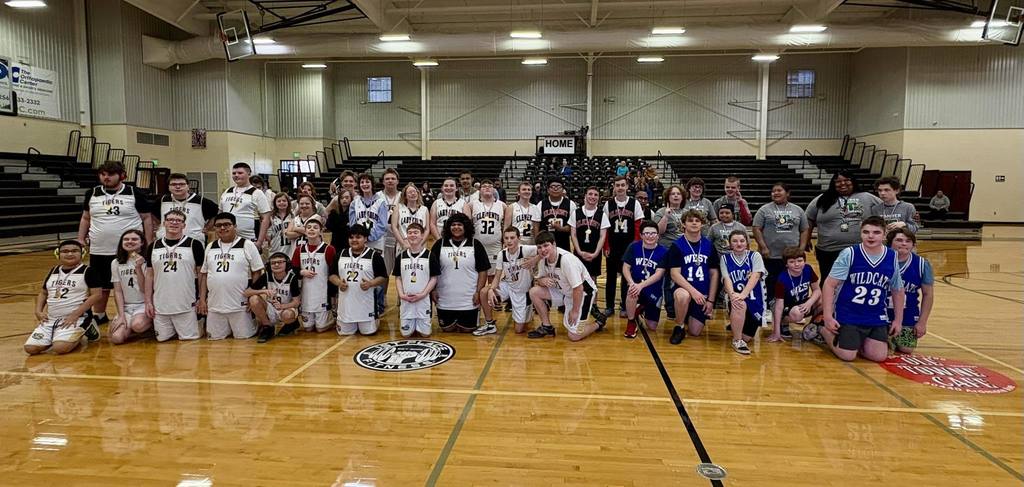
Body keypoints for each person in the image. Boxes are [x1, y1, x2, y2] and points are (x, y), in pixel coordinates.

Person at [77, 160, 153, 328]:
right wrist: (80, 238)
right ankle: (100, 314)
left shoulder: (134, 192)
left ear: (121, 175)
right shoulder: (92, 193)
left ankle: (138, 312)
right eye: (103, 174)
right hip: (99, 248)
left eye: (110, 174)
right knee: (101, 285)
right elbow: (85, 218)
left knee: (132, 283)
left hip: (129, 250)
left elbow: (147, 218)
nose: (106, 178)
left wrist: (148, 242)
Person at [818, 216, 905, 362]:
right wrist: (827, 316)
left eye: (876, 232)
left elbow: (897, 290)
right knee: (848, 356)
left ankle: (856, 341)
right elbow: (829, 284)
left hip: (875, 315)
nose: (870, 236)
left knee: (879, 356)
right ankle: (822, 329)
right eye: (866, 232)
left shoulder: (891, 256)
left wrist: (898, 320)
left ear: (884, 235)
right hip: (849, 313)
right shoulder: (849, 253)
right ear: (860, 234)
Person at [25, 240, 103, 355]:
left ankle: (88, 325)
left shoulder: (88, 271)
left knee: (60, 348)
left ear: (82, 253)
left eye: (75, 251)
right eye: (65, 251)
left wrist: (75, 314)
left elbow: (97, 295)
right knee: (30, 348)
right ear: (58, 254)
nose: (70, 254)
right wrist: (38, 311)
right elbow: (43, 293)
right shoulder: (53, 271)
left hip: (76, 318)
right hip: (51, 319)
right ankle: (57, 335)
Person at [526, 231, 607, 341]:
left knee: (574, 335)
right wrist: (541, 280)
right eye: (539, 247)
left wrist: (575, 311)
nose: (543, 250)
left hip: (583, 293)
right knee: (534, 292)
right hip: (564, 291)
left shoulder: (566, 260)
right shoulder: (543, 259)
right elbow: (538, 280)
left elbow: (579, 288)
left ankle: (599, 322)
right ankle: (546, 326)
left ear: (554, 244)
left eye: (546, 245)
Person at [806, 170, 882, 284]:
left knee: (858, 281)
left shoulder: (868, 197)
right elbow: (808, 218)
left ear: (853, 182)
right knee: (829, 282)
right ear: (833, 183)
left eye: (847, 180)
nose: (842, 184)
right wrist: (807, 239)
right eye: (838, 181)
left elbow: (887, 210)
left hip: (860, 249)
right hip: (828, 250)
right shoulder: (822, 199)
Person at [198, 213, 266, 340]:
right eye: (218, 225)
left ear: (235, 226)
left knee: (243, 339)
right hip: (215, 306)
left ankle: (260, 324)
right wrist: (202, 299)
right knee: (215, 340)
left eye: (227, 225)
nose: (222, 228)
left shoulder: (247, 245)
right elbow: (204, 274)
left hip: (240, 306)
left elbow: (257, 271)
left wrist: (252, 296)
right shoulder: (210, 246)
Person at [145, 209, 206, 342]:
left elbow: (202, 275)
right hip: (161, 306)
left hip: (186, 304)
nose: (174, 223)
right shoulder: (153, 246)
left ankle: (200, 322)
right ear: (163, 224)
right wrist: (148, 301)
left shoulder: (194, 245)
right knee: (162, 340)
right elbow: (149, 276)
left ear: (184, 225)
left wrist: (202, 298)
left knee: (189, 341)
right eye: (170, 220)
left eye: (179, 220)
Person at [753, 182, 811, 315]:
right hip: (771, 255)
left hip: (791, 257)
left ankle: (791, 310)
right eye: (773, 191)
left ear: (788, 193)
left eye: (779, 190)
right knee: (770, 282)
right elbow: (756, 228)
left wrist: (801, 248)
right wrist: (763, 247)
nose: (776, 193)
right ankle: (768, 309)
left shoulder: (798, 210)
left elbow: (805, 229)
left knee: (790, 283)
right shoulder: (764, 210)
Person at [430, 213, 491, 333]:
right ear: (448, 227)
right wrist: (433, 290)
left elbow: (483, 271)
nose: (456, 227)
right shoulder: (439, 244)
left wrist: (478, 292)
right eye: (453, 225)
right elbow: (432, 271)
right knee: (447, 329)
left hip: (468, 300)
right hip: (445, 299)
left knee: (467, 330)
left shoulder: (475, 244)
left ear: (466, 227)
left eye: (459, 224)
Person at [666, 210, 720, 344]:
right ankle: (679, 326)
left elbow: (714, 274)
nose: (694, 223)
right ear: (683, 224)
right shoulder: (677, 245)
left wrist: (711, 301)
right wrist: (693, 292)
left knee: (695, 332)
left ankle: (687, 314)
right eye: (690, 221)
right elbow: (674, 274)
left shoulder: (708, 245)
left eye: (697, 221)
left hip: (702, 295)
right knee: (683, 296)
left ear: (702, 224)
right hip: (684, 289)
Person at [476, 227, 541, 335]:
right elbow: (497, 276)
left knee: (519, 330)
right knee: (484, 292)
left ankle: (527, 314)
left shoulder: (525, 250)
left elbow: (545, 250)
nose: (509, 241)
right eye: (506, 238)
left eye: (512, 238)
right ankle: (490, 324)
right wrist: (492, 289)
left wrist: (535, 260)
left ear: (518, 238)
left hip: (522, 291)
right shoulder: (502, 254)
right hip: (508, 286)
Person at [330, 225, 388, 335]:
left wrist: (371, 283)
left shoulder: (374, 255)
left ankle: (375, 318)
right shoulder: (340, 254)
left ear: (365, 238)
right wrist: (338, 283)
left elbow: (383, 277)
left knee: (368, 333)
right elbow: (332, 274)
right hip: (346, 309)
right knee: (344, 334)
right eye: (351, 237)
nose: (354, 240)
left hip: (366, 307)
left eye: (358, 237)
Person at [886, 228, 934, 354]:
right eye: (899, 240)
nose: (904, 243)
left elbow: (928, 294)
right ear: (890, 243)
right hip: (881, 313)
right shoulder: (881, 260)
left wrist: (922, 322)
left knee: (906, 348)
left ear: (913, 245)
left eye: (908, 241)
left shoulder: (922, 264)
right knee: (882, 350)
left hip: (908, 313)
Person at [603, 176, 645, 316]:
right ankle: (609, 306)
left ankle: (624, 306)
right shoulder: (608, 204)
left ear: (627, 187)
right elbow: (605, 228)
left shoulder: (635, 204)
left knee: (627, 278)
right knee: (611, 278)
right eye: (617, 185)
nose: (620, 188)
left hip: (629, 247)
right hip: (613, 246)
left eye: (622, 185)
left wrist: (636, 245)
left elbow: (638, 225)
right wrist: (606, 246)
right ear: (614, 187)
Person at [720, 230, 767, 355]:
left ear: (747, 242)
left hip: (755, 300)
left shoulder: (755, 256)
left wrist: (743, 294)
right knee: (739, 304)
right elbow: (727, 279)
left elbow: (755, 276)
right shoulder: (725, 258)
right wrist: (732, 295)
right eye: (734, 241)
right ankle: (737, 340)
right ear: (730, 244)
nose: (739, 244)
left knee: (748, 338)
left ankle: (737, 328)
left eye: (742, 241)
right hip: (737, 300)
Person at [350, 173, 390, 316]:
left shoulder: (381, 202)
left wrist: (368, 236)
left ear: (372, 184)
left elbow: (383, 225)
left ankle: (378, 306)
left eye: (367, 182)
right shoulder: (355, 202)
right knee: (362, 271)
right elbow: (353, 223)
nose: (365, 184)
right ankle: (362, 304)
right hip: (360, 243)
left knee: (376, 273)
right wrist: (360, 238)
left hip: (376, 242)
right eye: (362, 182)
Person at [622, 221, 668, 339]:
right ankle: (631, 322)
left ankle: (640, 307)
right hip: (636, 286)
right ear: (641, 235)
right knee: (631, 291)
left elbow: (659, 274)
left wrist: (640, 285)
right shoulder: (633, 247)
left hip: (653, 289)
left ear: (658, 235)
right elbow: (626, 268)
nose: (650, 236)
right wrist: (632, 283)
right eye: (646, 233)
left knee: (652, 326)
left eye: (653, 233)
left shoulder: (664, 251)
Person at [393, 223, 439, 338]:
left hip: (423, 301)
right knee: (406, 335)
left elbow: (434, 278)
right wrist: (401, 294)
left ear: (422, 236)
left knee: (425, 334)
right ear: (406, 236)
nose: (412, 235)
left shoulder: (430, 255)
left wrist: (424, 293)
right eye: (410, 233)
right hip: (406, 300)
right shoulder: (401, 256)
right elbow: (397, 277)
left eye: (416, 232)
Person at [246, 252, 302, 342]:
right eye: (273, 263)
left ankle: (292, 323)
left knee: (288, 315)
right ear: (269, 265)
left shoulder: (292, 278)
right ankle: (268, 327)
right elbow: (247, 292)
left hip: (286, 308)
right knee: (253, 299)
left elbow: (296, 302)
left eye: (280, 262)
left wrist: (282, 306)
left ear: (286, 264)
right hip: (271, 307)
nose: (276, 264)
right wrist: (263, 291)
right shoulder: (267, 276)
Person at [292, 218, 336, 333]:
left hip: (322, 294)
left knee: (320, 329)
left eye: (315, 228)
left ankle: (332, 316)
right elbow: (293, 270)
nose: (312, 230)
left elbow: (333, 273)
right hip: (306, 295)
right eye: (309, 227)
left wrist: (333, 297)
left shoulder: (329, 249)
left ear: (321, 231)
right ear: (305, 231)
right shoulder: (299, 250)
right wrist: (302, 272)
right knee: (308, 328)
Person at [109, 229, 151, 345]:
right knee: (116, 339)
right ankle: (127, 324)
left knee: (137, 325)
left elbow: (144, 288)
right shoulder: (116, 262)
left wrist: (138, 268)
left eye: (134, 239)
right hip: (127, 306)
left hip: (144, 304)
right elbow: (117, 291)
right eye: (126, 239)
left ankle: (150, 323)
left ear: (142, 242)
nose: (130, 241)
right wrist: (121, 315)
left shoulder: (148, 261)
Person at [772, 247, 821, 342]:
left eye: (800, 260)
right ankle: (783, 323)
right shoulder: (782, 279)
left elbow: (817, 290)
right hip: (787, 306)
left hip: (802, 302)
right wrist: (776, 332)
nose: (797, 264)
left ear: (805, 261)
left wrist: (809, 303)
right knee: (797, 313)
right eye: (792, 262)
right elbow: (779, 306)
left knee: (822, 301)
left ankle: (813, 326)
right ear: (786, 264)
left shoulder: (808, 269)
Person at [220, 162, 271, 249]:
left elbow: (266, 218)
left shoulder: (257, 193)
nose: (236, 175)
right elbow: (220, 213)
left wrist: (259, 241)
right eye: (234, 173)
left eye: (240, 173)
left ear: (249, 174)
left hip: (249, 239)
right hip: (227, 239)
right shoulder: (227, 191)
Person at [155, 173, 218, 244]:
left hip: (193, 242)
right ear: (168, 187)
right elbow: (153, 216)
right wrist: (160, 228)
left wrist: (207, 228)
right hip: (165, 242)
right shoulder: (162, 200)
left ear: (188, 186)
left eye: (182, 184)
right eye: (173, 184)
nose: (178, 187)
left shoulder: (201, 201)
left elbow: (216, 214)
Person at [569, 186, 609, 291]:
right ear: (585, 196)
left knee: (592, 279)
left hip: (594, 252)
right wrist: (579, 251)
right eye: (590, 194)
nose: (593, 197)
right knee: (577, 279)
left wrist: (595, 253)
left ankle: (594, 304)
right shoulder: (576, 213)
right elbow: (573, 234)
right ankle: (579, 304)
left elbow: (602, 236)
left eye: (596, 195)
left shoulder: (602, 214)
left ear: (599, 198)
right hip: (579, 251)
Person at [465, 179, 507, 274]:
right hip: (477, 245)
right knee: (477, 274)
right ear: (479, 190)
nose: (487, 187)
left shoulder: (503, 206)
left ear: (494, 190)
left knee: (493, 275)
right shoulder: (472, 205)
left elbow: (506, 226)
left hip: (495, 246)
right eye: (484, 186)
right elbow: (467, 226)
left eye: (490, 186)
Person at [539, 178, 576, 251]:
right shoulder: (541, 204)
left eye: (558, 186)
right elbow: (537, 226)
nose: (555, 189)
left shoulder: (571, 204)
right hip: (545, 244)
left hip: (564, 243)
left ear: (563, 190)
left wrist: (561, 228)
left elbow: (573, 227)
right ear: (548, 190)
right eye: (552, 186)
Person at [377, 168, 402, 277]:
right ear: (383, 181)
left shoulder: (403, 196)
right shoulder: (377, 196)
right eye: (387, 179)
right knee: (383, 272)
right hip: (382, 239)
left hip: (400, 239)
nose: (390, 181)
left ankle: (401, 294)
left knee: (401, 272)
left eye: (393, 178)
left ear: (397, 181)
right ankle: (382, 295)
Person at [392, 183, 429, 253]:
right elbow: (394, 227)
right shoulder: (398, 207)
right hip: (403, 243)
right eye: (409, 192)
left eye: (414, 191)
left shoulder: (424, 209)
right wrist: (403, 243)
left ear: (418, 194)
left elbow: (427, 229)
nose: (413, 193)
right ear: (405, 196)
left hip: (420, 244)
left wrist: (420, 243)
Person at [430, 177, 466, 242]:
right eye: (446, 186)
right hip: (440, 239)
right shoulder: (436, 203)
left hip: (458, 240)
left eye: (452, 185)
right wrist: (439, 240)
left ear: (457, 188)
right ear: (442, 188)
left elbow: (467, 224)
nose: (448, 188)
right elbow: (432, 224)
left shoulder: (463, 203)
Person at [266, 192, 294, 258]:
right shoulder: (271, 217)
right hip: (276, 249)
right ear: (275, 203)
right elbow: (267, 235)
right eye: (279, 201)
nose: (281, 203)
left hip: (290, 250)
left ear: (288, 202)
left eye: (284, 201)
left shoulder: (293, 215)